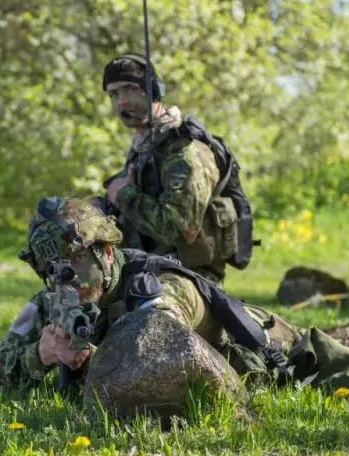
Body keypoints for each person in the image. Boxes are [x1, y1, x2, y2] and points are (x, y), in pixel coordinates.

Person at [0, 197, 349, 404]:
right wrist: (41, 356)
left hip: (276, 353)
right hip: (224, 372)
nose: (67, 279)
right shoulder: (52, 305)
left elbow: (158, 361)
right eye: (53, 270)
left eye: (76, 262)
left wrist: (91, 358)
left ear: (105, 252)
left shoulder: (157, 287)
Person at [97, 53, 254, 285]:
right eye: (114, 94)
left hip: (189, 279)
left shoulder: (184, 151)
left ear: (153, 89)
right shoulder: (144, 147)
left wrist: (124, 195)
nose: (122, 102)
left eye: (130, 89)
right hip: (145, 272)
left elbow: (179, 229)